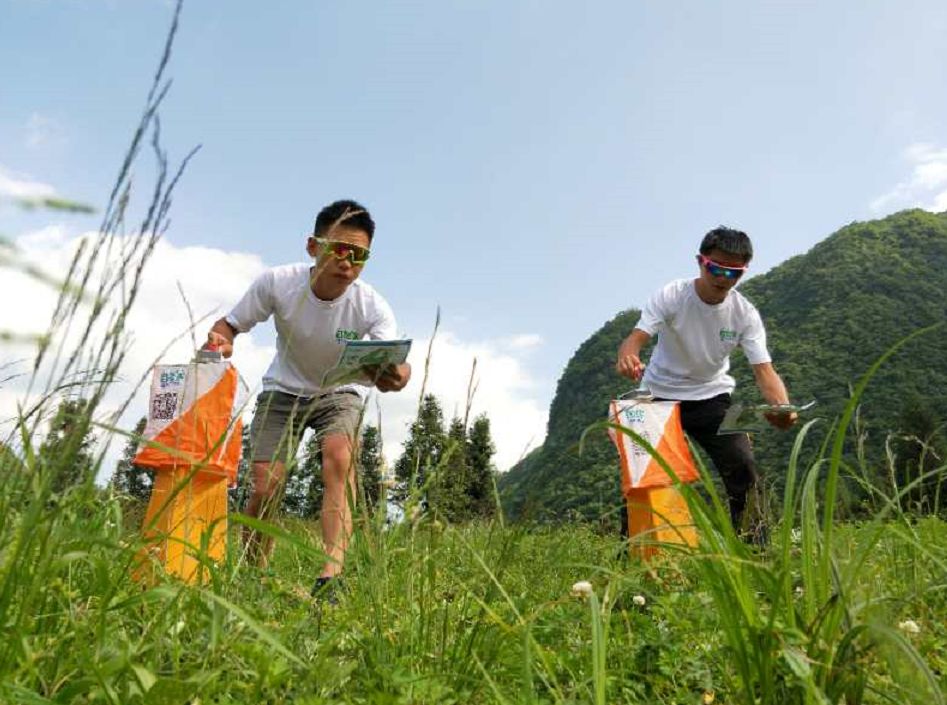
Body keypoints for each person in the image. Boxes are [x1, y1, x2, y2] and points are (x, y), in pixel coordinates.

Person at [204, 199, 411, 594]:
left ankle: (330, 577)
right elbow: (228, 325)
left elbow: (395, 362)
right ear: (314, 247)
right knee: (267, 484)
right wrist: (220, 340)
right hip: (283, 389)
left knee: (339, 458)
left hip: (339, 391)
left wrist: (398, 374)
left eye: (359, 255)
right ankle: (250, 576)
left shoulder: (372, 306)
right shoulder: (277, 283)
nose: (347, 261)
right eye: (338, 249)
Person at [615, 226, 796, 540]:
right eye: (716, 267)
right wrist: (628, 356)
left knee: (744, 467)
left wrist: (783, 408)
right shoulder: (673, 295)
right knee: (646, 478)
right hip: (658, 396)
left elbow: (765, 371)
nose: (723, 278)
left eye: (734, 272)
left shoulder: (745, 314)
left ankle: (757, 555)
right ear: (700, 261)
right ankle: (633, 556)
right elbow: (635, 339)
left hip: (714, 396)